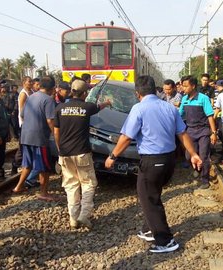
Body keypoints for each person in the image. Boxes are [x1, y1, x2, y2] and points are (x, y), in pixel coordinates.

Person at [104, 75, 202, 253]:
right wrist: (193, 154)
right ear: (155, 89)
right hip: (169, 160)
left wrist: (113, 156)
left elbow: (126, 137)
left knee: (149, 199)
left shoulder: (139, 108)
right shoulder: (169, 108)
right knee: (152, 194)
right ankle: (149, 229)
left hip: (152, 160)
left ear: (137, 93)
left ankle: (166, 241)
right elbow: (183, 134)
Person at [54, 80, 110, 229]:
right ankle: (84, 215)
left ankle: (73, 218)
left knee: (71, 185)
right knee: (88, 183)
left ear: (72, 91)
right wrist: (107, 103)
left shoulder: (60, 108)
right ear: (85, 93)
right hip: (82, 152)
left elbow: (56, 131)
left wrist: (60, 149)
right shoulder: (87, 107)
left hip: (65, 153)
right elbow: (99, 107)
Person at [12, 76, 58, 201]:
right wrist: (54, 134)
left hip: (25, 136)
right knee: (44, 166)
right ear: (52, 88)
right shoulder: (48, 100)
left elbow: (22, 114)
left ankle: (18, 187)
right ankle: (44, 192)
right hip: (39, 138)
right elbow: (50, 120)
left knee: (27, 164)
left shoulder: (30, 97)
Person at [179, 75, 217, 190]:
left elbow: (210, 116)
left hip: (203, 130)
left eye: (186, 86)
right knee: (188, 155)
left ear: (193, 86)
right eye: (183, 86)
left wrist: (213, 132)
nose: (183, 88)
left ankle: (205, 179)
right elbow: (179, 115)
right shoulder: (184, 99)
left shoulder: (203, 98)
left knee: (204, 155)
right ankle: (197, 170)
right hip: (190, 131)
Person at [12, 76, 33, 175]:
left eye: (31, 81)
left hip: (31, 124)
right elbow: (22, 110)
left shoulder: (32, 92)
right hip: (25, 125)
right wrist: (24, 122)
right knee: (22, 147)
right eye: (29, 81)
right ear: (24, 83)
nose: (31, 83)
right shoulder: (23, 94)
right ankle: (15, 165)